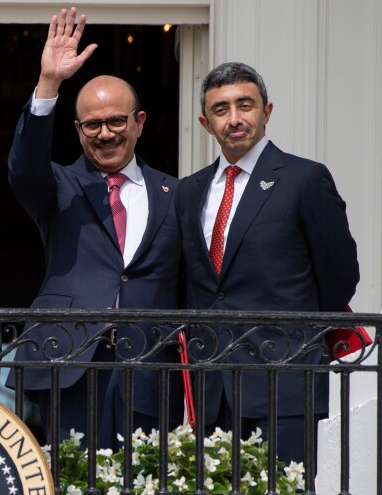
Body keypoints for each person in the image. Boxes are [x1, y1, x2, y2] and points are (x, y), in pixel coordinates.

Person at [6, 8, 183, 449]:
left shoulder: (179, 193)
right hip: (66, 364)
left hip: (148, 367)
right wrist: (48, 85)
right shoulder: (58, 185)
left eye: (116, 121)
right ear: (78, 129)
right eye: (92, 125)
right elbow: (23, 168)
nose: (105, 134)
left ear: (139, 123)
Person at [175, 61, 359, 463]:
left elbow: (340, 276)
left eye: (246, 105)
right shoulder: (188, 191)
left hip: (284, 382)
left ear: (267, 112)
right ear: (206, 123)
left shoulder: (305, 179)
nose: (235, 119)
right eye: (221, 110)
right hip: (212, 391)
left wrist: (296, 339)